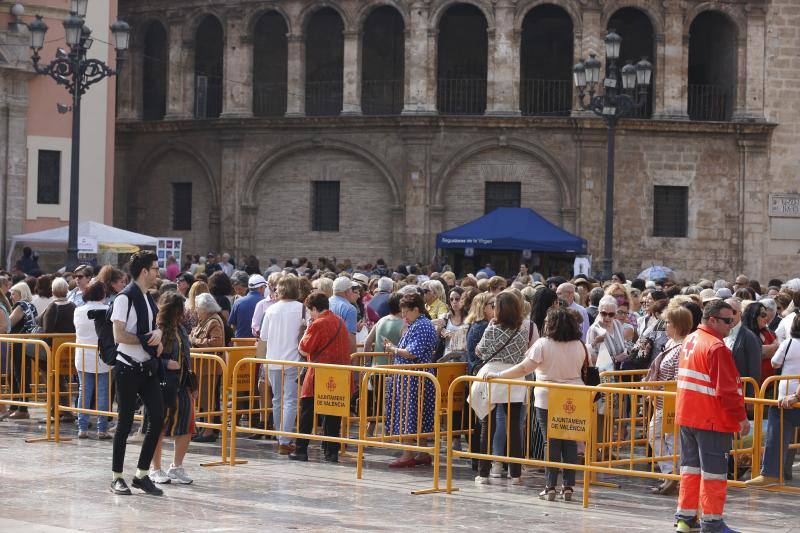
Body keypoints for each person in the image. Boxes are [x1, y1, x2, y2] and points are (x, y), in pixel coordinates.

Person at [486, 307, 585, 500]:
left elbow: (524, 367)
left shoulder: (543, 344)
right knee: (570, 441)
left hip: (547, 396)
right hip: (574, 395)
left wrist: (498, 375)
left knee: (552, 441)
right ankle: (568, 486)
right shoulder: (579, 344)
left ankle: (550, 487)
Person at [673, 300, 748, 533]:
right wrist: (742, 419)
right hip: (711, 420)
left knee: (690, 470)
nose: (731, 325)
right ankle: (712, 522)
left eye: (733, 320)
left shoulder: (691, 339)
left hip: (688, 416)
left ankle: (686, 519)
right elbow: (726, 391)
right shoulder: (717, 347)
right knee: (714, 473)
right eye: (727, 321)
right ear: (712, 320)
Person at [110, 250, 164, 496]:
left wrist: (159, 336)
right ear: (144, 272)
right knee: (125, 423)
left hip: (147, 367)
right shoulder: (125, 298)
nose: (158, 273)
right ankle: (117, 476)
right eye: (155, 269)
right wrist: (146, 339)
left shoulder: (148, 297)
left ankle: (142, 474)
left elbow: (153, 327)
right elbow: (119, 335)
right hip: (127, 367)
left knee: (158, 417)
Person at [473, 292, 530, 485]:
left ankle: (483, 472)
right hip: (515, 376)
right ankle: (515, 474)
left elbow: (480, 350)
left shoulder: (492, 328)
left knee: (489, 425)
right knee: (514, 426)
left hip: (493, 376)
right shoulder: (523, 328)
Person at [290, 291, 351, 463]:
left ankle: (301, 449)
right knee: (333, 412)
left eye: (310, 311)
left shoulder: (318, 324)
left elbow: (304, 348)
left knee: (307, 411)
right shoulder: (340, 321)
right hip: (339, 373)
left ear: (315, 309)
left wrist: (308, 326)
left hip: (319, 372)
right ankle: (331, 452)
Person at [382, 292, 438, 468]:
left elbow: (413, 352)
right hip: (414, 378)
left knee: (409, 416)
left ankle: (408, 454)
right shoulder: (419, 324)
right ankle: (423, 452)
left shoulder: (421, 325)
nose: (404, 315)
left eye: (406, 312)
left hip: (413, 379)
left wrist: (393, 349)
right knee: (418, 416)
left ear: (416, 309)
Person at [747, 313, 800, 487]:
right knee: (777, 429)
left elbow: (775, 363)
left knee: (777, 431)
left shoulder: (788, 343)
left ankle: (771, 472)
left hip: (787, 397)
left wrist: (796, 396)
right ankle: (771, 473)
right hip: (788, 400)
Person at [644, 305, 693, 495]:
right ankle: (672, 475)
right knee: (664, 437)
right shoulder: (672, 344)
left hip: (670, 402)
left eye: (668, 322)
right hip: (663, 401)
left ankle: (673, 475)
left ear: (678, 325)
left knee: (665, 437)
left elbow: (677, 376)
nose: (665, 325)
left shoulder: (682, 347)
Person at [148, 292, 195, 485]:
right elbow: (149, 355)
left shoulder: (181, 328)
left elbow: (186, 357)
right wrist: (166, 363)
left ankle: (176, 466)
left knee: (186, 426)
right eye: (179, 309)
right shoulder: (157, 329)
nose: (182, 312)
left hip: (182, 384)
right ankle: (154, 468)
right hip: (161, 383)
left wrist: (193, 385)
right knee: (157, 426)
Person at [257, 275, 305, 455]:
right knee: (290, 400)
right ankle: (284, 439)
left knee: (277, 399)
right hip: (293, 359)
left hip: (273, 359)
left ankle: (280, 438)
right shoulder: (301, 309)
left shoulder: (271, 310)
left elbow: (264, 337)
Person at [73, 281, 111, 439]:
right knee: (103, 393)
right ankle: (102, 429)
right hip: (103, 355)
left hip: (82, 354)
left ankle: (82, 428)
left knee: (84, 391)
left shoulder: (78, 310)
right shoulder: (108, 310)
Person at [188, 293, 225, 443]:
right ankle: (205, 428)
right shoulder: (205, 320)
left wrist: (195, 340)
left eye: (198, 307)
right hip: (202, 367)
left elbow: (216, 342)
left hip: (209, 368)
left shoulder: (214, 321)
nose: (196, 309)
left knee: (207, 399)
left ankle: (209, 431)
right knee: (203, 399)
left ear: (205, 308)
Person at [6, 281, 39, 420]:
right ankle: (16, 406)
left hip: (19, 343)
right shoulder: (30, 305)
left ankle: (22, 408)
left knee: (19, 376)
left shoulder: (21, 306)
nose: (11, 296)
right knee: (16, 375)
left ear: (21, 294)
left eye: (14, 293)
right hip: (27, 342)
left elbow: (9, 323)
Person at [724, 298, 761, 384]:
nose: (729, 315)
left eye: (733, 312)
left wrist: (750, 396)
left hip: (740, 390)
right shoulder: (719, 331)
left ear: (740, 314)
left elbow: (754, 373)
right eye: (725, 312)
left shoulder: (750, 337)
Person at [465, 292, 495, 374]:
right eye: (493, 305)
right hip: (482, 372)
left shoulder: (478, 324)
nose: (496, 307)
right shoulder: (483, 326)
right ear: (482, 308)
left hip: (478, 371)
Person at [229, 274, 266, 339]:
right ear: (261, 288)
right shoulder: (266, 302)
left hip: (240, 344)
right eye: (264, 287)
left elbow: (233, 327)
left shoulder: (238, 302)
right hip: (260, 345)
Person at [439, 287, 469, 362]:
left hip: (464, 358)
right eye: (451, 299)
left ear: (463, 299)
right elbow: (438, 337)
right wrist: (441, 331)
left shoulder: (469, 318)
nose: (454, 302)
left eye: (457, 299)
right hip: (446, 357)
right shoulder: (445, 317)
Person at [329, 276, 358, 353]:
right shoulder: (350, 309)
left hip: (325, 354)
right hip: (341, 354)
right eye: (351, 289)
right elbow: (351, 339)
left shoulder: (325, 302)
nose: (352, 292)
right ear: (347, 291)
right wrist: (354, 361)